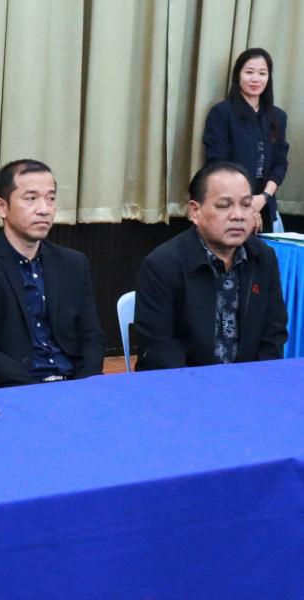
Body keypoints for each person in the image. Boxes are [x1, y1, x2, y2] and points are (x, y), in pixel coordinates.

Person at [0, 159, 104, 387]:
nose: (44, 209)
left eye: (51, 198)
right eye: (31, 198)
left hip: (73, 384)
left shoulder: (73, 263)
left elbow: (91, 335)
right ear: (2, 206)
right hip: (15, 388)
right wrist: (35, 391)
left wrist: (84, 384)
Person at [134, 161, 287, 371]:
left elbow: (273, 334)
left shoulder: (263, 257)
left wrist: (257, 381)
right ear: (195, 212)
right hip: (183, 384)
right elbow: (159, 349)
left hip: (248, 383)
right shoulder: (162, 265)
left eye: (246, 205)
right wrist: (203, 387)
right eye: (224, 205)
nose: (238, 215)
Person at [203, 47, 289, 233]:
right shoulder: (221, 113)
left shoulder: (278, 117)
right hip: (229, 203)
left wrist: (263, 198)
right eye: (249, 72)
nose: (256, 79)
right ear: (238, 75)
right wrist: (246, 203)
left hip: (265, 202)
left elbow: (280, 163)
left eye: (262, 73)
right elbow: (217, 164)